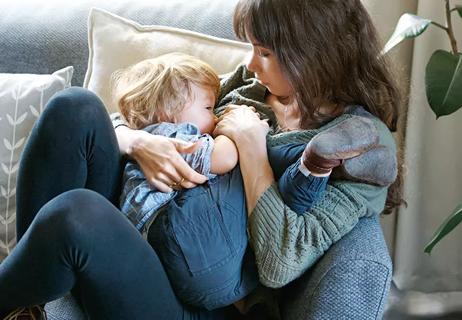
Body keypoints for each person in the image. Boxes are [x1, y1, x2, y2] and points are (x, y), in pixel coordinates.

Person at [0, 0, 401, 319]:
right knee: (75, 107)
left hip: (194, 296)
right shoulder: (251, 88)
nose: (249, 63)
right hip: (144, 223)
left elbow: (282, 262)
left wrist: (250, 147)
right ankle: (32, 300)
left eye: (264, 52)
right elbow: (155, 109)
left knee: (76, 212)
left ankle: (23, 291)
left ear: (314, 55)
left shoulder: (355, 149)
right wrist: (136, 140)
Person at [113, 53, 388, 311]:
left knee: (272, 183)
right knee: (258, 159)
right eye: (209, 108)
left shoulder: (181, 117)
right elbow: (226, 157)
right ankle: (317, 158)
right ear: (168, 111)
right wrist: (239, 132)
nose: (251, 63)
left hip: (195, 255)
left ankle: (314, 166)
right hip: (180, 233)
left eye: (264, 52)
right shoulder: (176, 136)